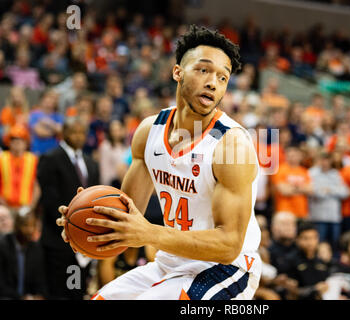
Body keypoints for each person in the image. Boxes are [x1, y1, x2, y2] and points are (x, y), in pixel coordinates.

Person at [57, 25, 262, 300]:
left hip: (227, 270)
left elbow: (228, 246)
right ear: (177, 72)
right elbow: (128, 214)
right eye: (203, 70)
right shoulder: (148, 132)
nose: (213, 83)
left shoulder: (232, 144)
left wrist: (149, 233)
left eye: (223, 78)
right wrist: (94, 221)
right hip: (171, 261)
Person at [37, 117, 100, 300]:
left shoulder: (91, 162)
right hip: (58, 238)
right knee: (58, 291)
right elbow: (49, 200)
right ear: (64, 134)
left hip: (83, 239)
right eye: (74, 132)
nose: (79, 136)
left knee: (77, 289)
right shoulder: (50, 158)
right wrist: (71, 224)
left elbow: (96, 197)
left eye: (82, 133)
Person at [0, 210, 47, 299]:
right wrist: (21, 297)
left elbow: (40, 281)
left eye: (33, 226)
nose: (30, 230)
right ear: (16, 226)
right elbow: (1, 285)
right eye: (25, 225)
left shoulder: (36, 248)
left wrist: (40, 295)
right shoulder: (3, 246)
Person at [308, 150, 348, 251]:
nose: (324, 162)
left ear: (330, 161)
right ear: (318, 160)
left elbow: (345, 192)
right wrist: (332, 191)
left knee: (334, 246)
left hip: (334, 217)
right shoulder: (312, 173)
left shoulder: (335, 174)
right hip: (318, 217)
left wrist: (328, 190)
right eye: (322, 160)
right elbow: (314, 192)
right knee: (318, 245)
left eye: (327, 160)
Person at [285, 222, 330, 300]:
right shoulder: (289, 260)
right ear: (297, 239)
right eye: (305, 238)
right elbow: (290, 291)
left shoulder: (322, 261)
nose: (310, 242)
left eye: (313, 238)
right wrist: (314, 289)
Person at [0, 125, 40, 211]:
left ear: (26, 142)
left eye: (21, 139)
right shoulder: (2, 158)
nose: (17, 142)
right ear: (8, 142)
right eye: (14, 140)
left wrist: (30, 207)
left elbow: (36, 186)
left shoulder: (33, 159)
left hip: (25, 207)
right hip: (4, 206)